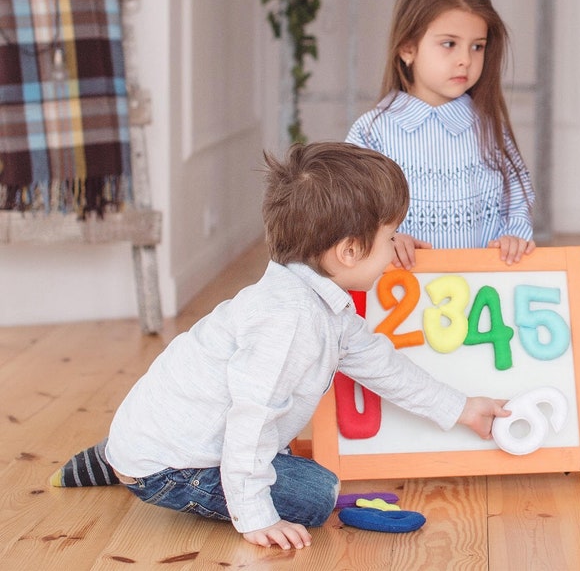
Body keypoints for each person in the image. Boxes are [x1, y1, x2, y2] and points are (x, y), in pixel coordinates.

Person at [50, 142, 509, 550]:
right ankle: (133, 466)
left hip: (162, 425)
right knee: (317, 495)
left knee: (289, 464)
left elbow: (383, 366)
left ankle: (122, 454)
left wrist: (462, 407)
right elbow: (252, 419)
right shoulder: (289, 322)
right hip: (173, 463)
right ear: (348, 252)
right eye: (390, 238)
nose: (395, 251)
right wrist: (255, 517)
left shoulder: (319, 302)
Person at [347, 0, 535, 269]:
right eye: (449, 44)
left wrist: (514, 235)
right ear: (407, 48)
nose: (466, 59)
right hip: (399, 292)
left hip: (478, 292)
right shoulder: (373, 132)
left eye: (478, 46)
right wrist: (387, 240)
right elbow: (350, 211)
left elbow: (516, 198)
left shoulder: (488, 128)